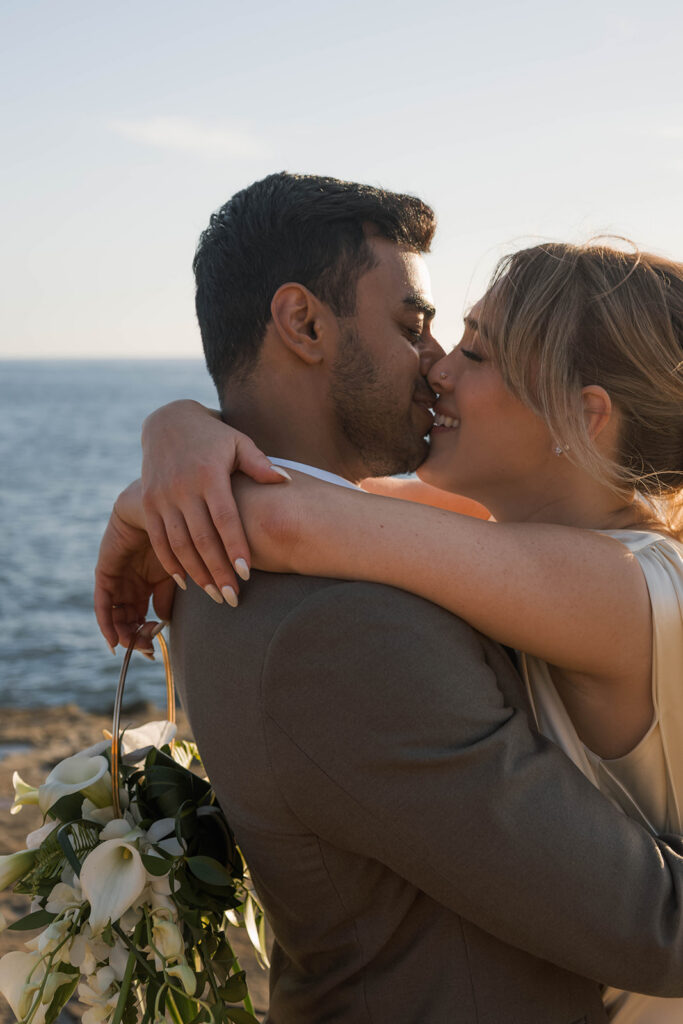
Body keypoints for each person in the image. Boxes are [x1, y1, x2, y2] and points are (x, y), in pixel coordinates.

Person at [96, 173, 683, 1023]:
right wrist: (177, 435)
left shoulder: (615, 582)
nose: (438, 366)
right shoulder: (492, 541)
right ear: (300, 323)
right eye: (422, 330)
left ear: (581, 418)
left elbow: (304, 519)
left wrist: (156, 488)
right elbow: (337, 510)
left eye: (472, 351)